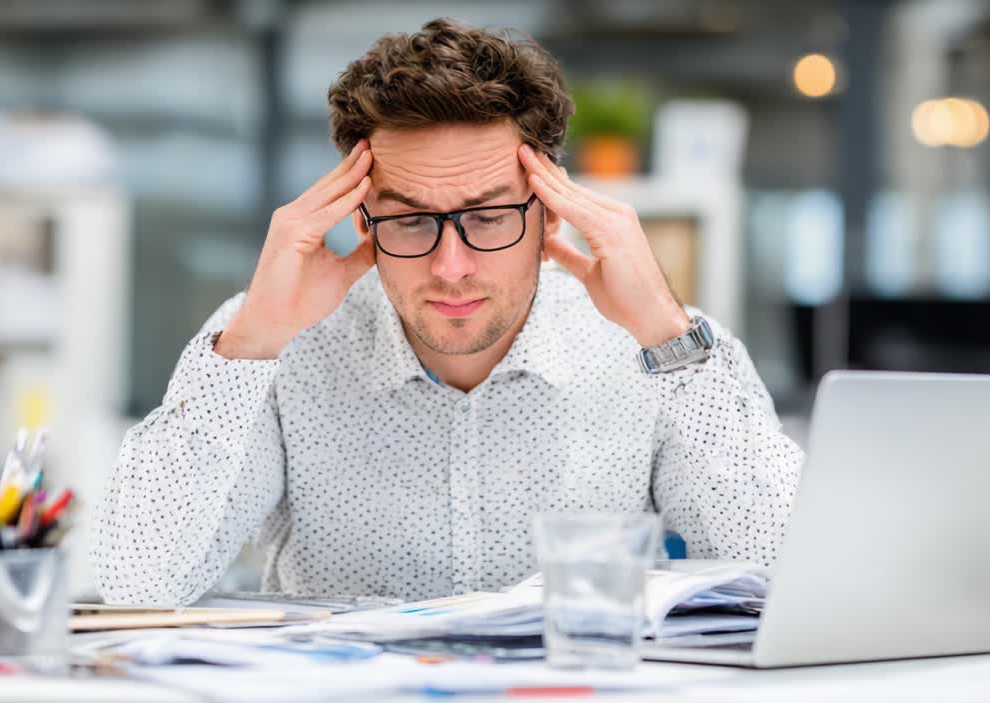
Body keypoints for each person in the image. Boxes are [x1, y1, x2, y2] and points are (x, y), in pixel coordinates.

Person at [92, 18, 803, 605]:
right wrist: (250, 344)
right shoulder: (281, 340)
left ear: (549, 211)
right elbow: (134, 586)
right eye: (409, 222)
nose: (450, 267)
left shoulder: (653, 349)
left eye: (489, 217)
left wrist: (664, 333)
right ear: (361, 219)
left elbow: (789, 576)